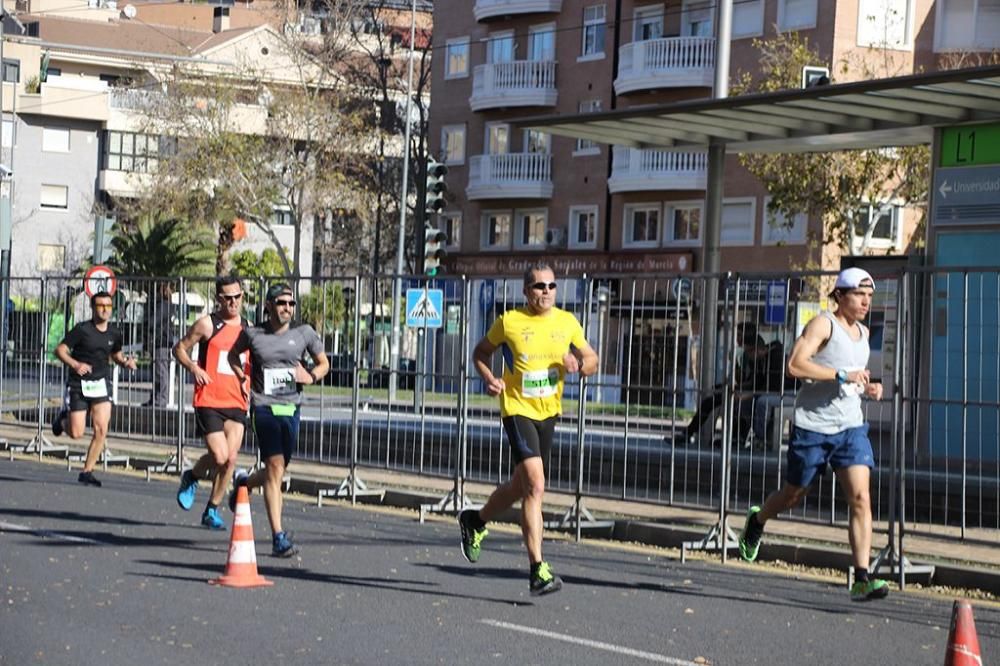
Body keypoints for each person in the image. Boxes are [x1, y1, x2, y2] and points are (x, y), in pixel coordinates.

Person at [738, 267, 888, 602]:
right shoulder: (824, 324)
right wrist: (840, 375)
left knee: (861, 498)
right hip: (813, 427)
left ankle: (862, 577)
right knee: (793, 496)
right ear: (841, 295)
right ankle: (758, 519)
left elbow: (851, 381)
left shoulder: (863, 335)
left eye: (869, 297)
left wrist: (867, 386)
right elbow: (795, 365)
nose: (866, 302)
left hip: (850, 427)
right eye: (859, 295)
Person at [459, 263, 599, 596]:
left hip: (548, 412)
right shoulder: (510, 321)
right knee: (536, 485)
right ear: (526, 291)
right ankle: (538, 570)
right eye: (539, 286)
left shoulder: (567, 322)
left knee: (521, 487)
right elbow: (481, 352)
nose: (546, 292)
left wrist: (578, 365)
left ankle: (475, 521)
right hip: (516, 409)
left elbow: (592, 358)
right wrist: (489, 377)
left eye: (551, 286)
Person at [227, 283, 328, 557]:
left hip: (292, 408)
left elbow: (323, 363)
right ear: (269, 306)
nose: (287, 308)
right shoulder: (253, 334)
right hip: (264, 407)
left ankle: (244, 485)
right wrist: (241, 376)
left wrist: (311, 376)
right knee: (274, 467)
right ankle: (278, 536)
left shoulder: (304, 333)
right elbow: (232, 355)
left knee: (279, 470)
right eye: (282, 303)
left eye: (291, 304)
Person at [172, 277, 250, 530]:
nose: (234, 302)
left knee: (231, 459)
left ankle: (211, 510)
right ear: (219, 299)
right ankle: (192, 476)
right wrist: (194, 367)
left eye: (237, 296)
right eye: (228, 297)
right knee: (219, 455)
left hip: (237, 400)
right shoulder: (207, 324)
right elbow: (179, 348)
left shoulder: (249, 329)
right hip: (209, 399)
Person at [52, 290, 137, 487]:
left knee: (101, 429)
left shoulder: (115, 333)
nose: (105, 309)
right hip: (78, 384)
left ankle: (87, 471)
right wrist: (76, 365)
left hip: (100, 384)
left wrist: (125, 362)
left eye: (108, 306)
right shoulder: (82, 330)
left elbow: (115, 354)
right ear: (93, 307)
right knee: (76, 433)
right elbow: (60, 350)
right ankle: (62, 420)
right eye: (101, 305)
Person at [684, 323, 774, 445]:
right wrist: (735, 366)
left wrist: (739, 388)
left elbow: (755, 382)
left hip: (751, 392)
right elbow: (742, 378)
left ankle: (735, 438)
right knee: (711, 398)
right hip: (745, 389)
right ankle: (690, 432)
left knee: (732, 404)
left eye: (739, 335)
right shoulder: (743, 352)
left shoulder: (754, 350)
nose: (736, 338)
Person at [146, 281, 177, 407]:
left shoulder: (164, 306)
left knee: (161, 371)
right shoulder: (165, 305)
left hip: (161, 341)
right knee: (157, 371)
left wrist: (148, 319)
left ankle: (161, 399)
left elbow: (154, 322)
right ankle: (155, 397)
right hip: (160, 341)